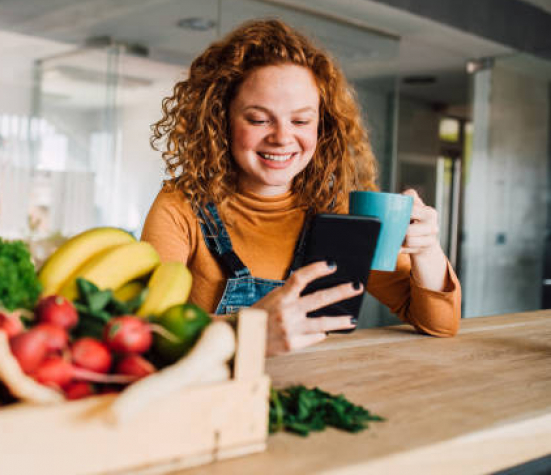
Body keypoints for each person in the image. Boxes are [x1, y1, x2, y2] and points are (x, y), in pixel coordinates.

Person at [141, 19, 461, 355]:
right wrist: (247, 330)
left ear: (322, 127)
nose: (281, 137)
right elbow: (147, 331)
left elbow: (440, 323)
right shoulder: (180, 207)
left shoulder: (338, 212)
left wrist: (426, 251)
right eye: (259, 119)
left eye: (301, 120)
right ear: (221, 119)